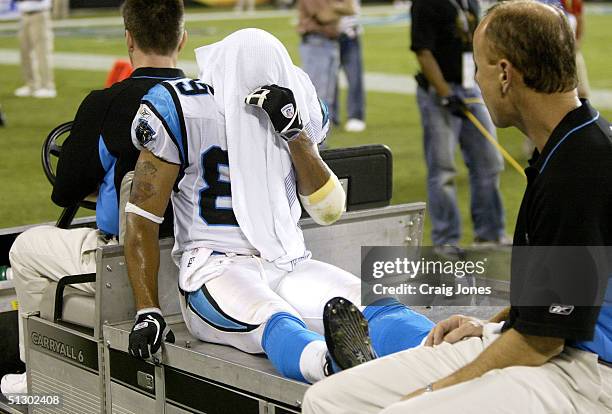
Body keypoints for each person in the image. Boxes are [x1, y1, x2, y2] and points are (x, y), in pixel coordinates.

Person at [302, 2, 612, 412]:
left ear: (504, 74)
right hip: (550, 345)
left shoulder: (583, 167)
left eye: (479, 67)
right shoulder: (567, 145)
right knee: (328, 399)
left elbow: (543, 341)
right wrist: (491, 325)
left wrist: (435, 390)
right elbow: (557, 298)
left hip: (584, 372)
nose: (477, 81)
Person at [124, 28, 435, 384]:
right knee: (272, 317)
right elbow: (142, 216)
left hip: (287, 261)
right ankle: (331, 366)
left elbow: (329, 210)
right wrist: (148, 310)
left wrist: (294, 133)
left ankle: (447, 345)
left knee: (369, 302)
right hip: (216, 266)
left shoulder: (294, 103)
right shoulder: (185, 108)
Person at [0, 0, 186, 395]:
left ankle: (39, 371)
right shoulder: (210, 99)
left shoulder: (108, 104)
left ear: (128, 39)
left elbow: (64, 190)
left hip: (126, 259)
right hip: (196, 256)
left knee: (26, 248)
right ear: (182, 39)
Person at [411, 0, 506, 252]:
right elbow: (422, 50)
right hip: (439, 93)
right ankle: (446, 241)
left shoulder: (469, 1)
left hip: (471, 87)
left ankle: (490, 236)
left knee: (489, 162)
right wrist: (444, 93)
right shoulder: (425, 4)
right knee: (442, 171)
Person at [297, 0, 356, 123]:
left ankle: (322, 139)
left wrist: (332, 8)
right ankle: (314, 140)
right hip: (315, 43)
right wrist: (338, 8)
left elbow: (351, 9)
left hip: (331, 43)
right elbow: (323, 16)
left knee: (328, 98)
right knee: (315, 97)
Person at [332, 0, 366, 133]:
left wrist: (329, 7)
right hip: (327, 35)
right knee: (329, 80)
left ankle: (356, 116)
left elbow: (351, 8)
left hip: (349, 34)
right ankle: (331, 116)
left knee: (354, 77)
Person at [14, 0, 56, 98]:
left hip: (39, 14)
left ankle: (48, 86)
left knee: (42, 51)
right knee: (24, 52)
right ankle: (31, 85)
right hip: (23, 15)